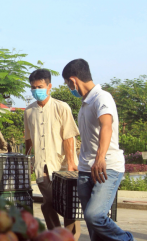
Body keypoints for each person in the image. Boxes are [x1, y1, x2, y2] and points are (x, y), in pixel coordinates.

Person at [62, 59, 134, 241]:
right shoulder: (85, 103)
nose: (69, 87)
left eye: (67, 83)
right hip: (86, 170)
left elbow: (106, 126)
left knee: (95, 216)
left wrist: (100, 158)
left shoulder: (102, 97)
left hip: (106, 167)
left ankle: (126, 239)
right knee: (93, 227)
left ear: (73, 80)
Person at [24, 69, 81, 240]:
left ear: (49, 86)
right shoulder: (28, 111)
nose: (36, 90)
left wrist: (71, 163)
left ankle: (71, 236)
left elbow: (69, 136)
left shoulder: (61, 107)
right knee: (49, 203)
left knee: (68, 205)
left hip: (63, 166)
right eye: (33, 88)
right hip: (42, 166)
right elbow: (28, 139)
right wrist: (25, 161)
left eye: (39, 86)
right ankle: (56, 235)